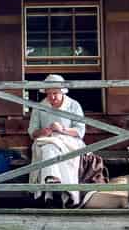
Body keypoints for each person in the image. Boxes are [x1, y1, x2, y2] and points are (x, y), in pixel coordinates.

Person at [28, 73, 88, 206]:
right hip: (47, 140)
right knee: (50, 148)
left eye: (55, 93)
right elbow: (32, 132)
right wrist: (43, 131)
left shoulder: (73, 105)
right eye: (48, 93)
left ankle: (52, 192)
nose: (52, 97)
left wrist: (62, 130)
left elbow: (80, 131)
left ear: (62, 91)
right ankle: (66, 194)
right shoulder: (39, 107)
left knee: (58, 152)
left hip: (69, 141)